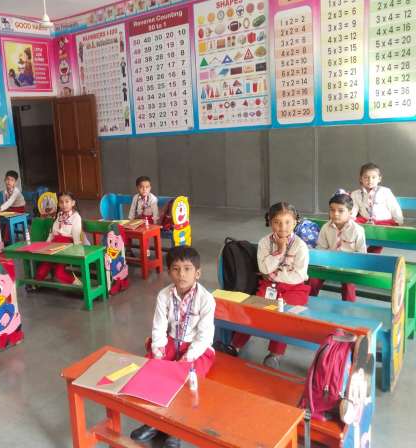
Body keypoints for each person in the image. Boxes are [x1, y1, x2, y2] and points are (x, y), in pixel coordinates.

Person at [130, 246, 215, 448]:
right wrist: (158, 352)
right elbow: (158, 327)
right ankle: (153, 420)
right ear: (169, 272)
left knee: (184, 381)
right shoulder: (164, 295)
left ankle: (175, 429)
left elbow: (204, 336)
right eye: (176, 269)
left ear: (198, 273)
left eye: (187, 269)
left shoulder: (206, 299)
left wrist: (186, 358)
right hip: (170, 342)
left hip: (196, 349)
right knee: (152, 371)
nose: (181, 274)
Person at [226, 202, 310, 369]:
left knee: (283, 316)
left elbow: (299, 275)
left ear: (295, 222)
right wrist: (280, 251)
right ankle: (235, 345)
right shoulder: (265, 242)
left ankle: (275, 354)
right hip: (269, 286)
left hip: (294, 289)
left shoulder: (300, 245)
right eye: (277, 222)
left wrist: (275, 274)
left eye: (287, 222)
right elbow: (264, 269)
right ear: (270, 222)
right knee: (253, 310)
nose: (283, 227)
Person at [309, 191, 366, 301]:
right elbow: (321, 248)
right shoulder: (326, 228)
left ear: (350, 212)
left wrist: (350, 265)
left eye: (340, 211)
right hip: (328, 263)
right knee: (313, 279)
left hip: (349, 265)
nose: (335, 214)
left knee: (348, 284)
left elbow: (361, 253)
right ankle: (309, 301)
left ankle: (348, 306)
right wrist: (324, 262)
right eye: (332, 210)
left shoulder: (357, 230)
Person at [351, 162, 403, 253]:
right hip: (366, 220)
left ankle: (371, 253)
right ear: (361, 179)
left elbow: (394, 207)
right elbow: (353, 209)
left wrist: (399, 221)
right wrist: (351, 219)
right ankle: (354, 250)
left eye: (373, 177)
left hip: (383, 222)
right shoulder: (356, 194)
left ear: (379, 179)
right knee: (350, 225)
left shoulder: (385, 191)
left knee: (381, 233)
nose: (370, 180)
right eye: (366, 177)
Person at [35, 192, 83, 285]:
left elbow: (76, 235)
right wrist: (46, 243)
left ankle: (78, 284)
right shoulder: (59, 215)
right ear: (58, 204)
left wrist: (77, 251)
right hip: (54, 244)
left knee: (59, 272)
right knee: (44, 266)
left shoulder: (76, 217)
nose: (64, 204)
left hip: (66, 246)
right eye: (61, 202)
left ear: (73, 203)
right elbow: (53, 232)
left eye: (67, 201)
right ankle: (36, 283)